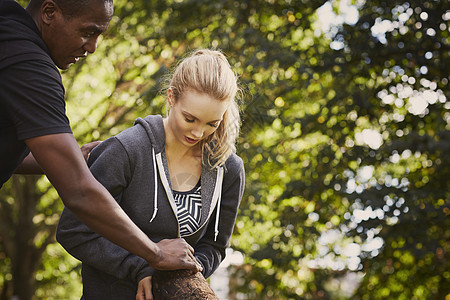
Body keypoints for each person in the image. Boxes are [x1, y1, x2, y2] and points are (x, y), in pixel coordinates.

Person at [0, 0, 201, 273]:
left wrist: (73, 158)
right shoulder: (30, 67)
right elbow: (79, 191)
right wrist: (155, 253)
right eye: (87, 32)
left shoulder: (7, 27)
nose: (92, 47)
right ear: (49, 13)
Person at [56, 49, 245, 299]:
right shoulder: (126, 150)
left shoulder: (229, 169)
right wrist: (141, 268)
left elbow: (214, 246)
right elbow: (73, 230)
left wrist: (177, 277)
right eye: (190, 119)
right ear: (171, 98)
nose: (199, 133)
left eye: (212, 123)